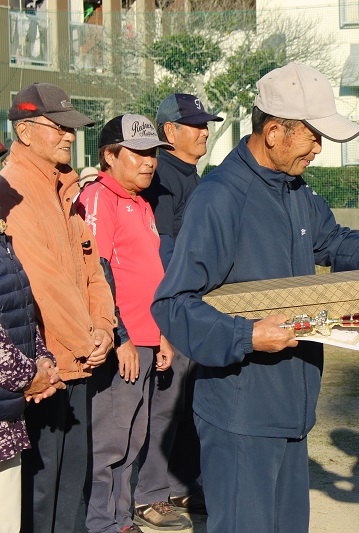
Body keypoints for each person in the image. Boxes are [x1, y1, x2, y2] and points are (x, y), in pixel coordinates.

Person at [151, 61, 359, 533]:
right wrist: (246, 335)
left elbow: (332, 242)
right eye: (313, 137)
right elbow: (173, 303)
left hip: (292, 408)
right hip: (241, 413)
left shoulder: (296, 190)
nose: (319, 150)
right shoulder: (221, 197)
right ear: (275, 131)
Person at [0, 82, 116, 532]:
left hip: (77, 359)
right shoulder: (16, 190)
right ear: (25, 132)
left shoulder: (62, 188)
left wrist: (105, 328)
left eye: (73, 127)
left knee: (72, 486)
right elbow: (42, 285)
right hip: (45, 369)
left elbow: (92, 269)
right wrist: (88, 340)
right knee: (41, 494)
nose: (70, 135)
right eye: (59, 126)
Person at [76, 114, 179, 533]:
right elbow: (95, 272)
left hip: (148, 338)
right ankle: (102, 522)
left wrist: (163, 335)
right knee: (110, 442)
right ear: (109, 155)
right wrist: (118, 337)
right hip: (123, 344)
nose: (149, 161)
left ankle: (119, 519)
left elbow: (149, 274)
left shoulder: (141, 202)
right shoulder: (98, 196)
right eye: (137, 152)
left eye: (152, 152)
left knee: (133, 438)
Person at [136, 94, 222, 523]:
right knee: (166, 403)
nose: (204, 130)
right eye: (194, 124)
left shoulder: (190, 173)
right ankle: (150, 493)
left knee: (190, 398)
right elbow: (161, 248)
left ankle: (183, 485)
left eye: (205, 123)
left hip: (195, 304)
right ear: (170, 131)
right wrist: (177, 304)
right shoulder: (161, 174)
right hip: (172, 307)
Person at [0, 221, 65, 533]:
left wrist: (43, 360)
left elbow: (24, 310)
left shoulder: (4, 239)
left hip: (9, 409)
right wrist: (31, 376)